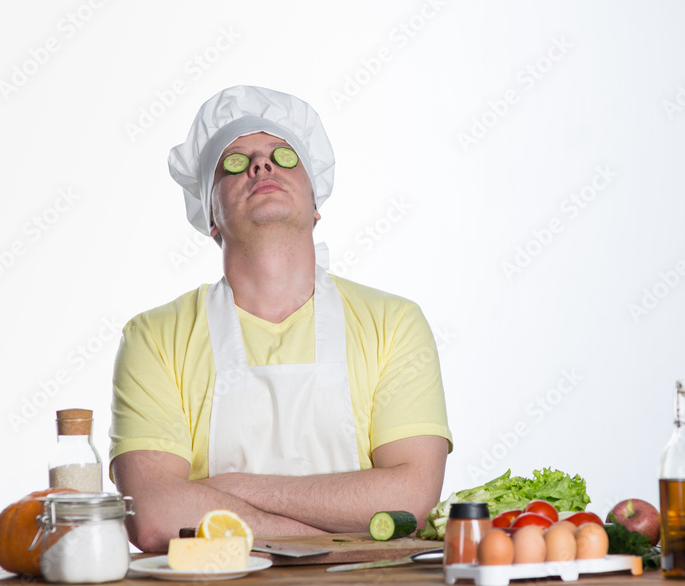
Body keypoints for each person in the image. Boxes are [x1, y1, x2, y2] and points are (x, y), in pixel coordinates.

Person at [109, 85, 452, 552]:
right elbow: (154, 516)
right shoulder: (154, 338)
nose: (261, 164)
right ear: (211, 217)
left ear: (315, 204)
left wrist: (233, 489)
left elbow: (410, 500)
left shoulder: (394, 324)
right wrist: (331, 539)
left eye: (283, 155)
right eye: (234, 162)